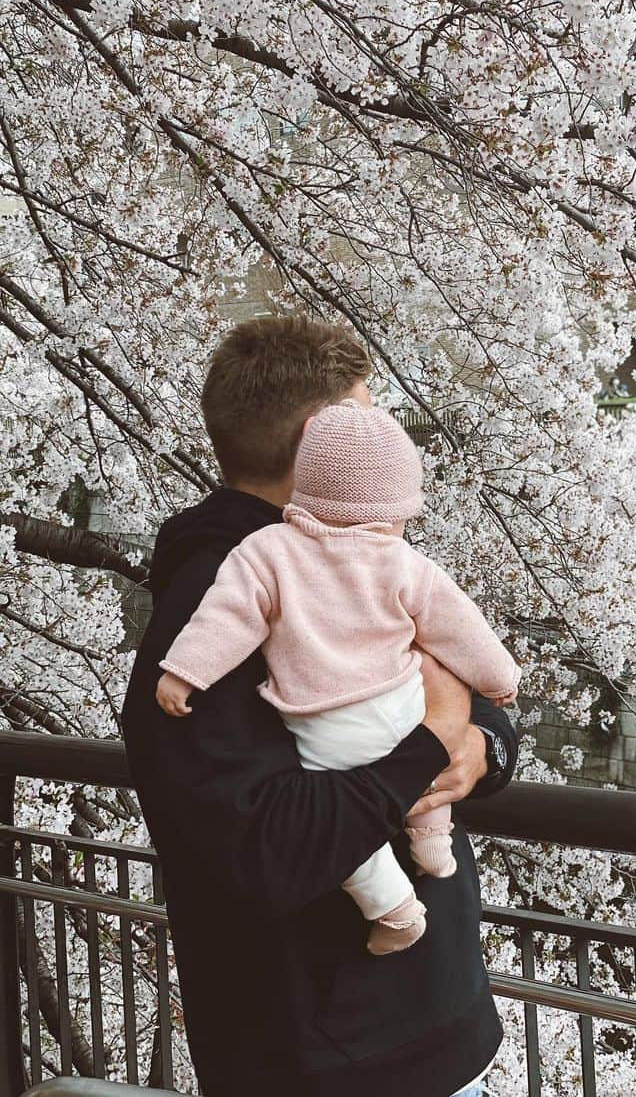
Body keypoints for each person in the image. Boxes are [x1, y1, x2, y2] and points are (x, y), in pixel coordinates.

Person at [121, 316, 518, 1097]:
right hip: (325, 1061)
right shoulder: (214, 611)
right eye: (366, 414)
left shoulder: (369, 563)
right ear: (320, 439)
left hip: (434, 1026)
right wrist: (435, 741)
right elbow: (271, 845)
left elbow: (481, 700)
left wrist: (481, 751)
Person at [156, 400, 520, 956]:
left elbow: (226, 619)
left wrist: (185, 671)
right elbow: (460, 631)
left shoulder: (266, 552)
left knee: (356, 834)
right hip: (403, 704)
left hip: (327, 724)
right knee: (380, 790)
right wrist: (498, 679)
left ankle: (394, 906)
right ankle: (432, 838)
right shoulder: (402, 562)